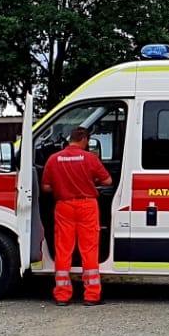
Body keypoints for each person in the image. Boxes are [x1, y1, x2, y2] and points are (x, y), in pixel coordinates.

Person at [40, 126, 112, 305]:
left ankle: (62, 296)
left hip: (63, 206)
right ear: (85, 140)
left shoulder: (54, 159)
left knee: (63, 250)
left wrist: (62, 186)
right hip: (87, 206)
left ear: (70, 139)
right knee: (89, 250)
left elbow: (46, 187)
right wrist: (90, 181)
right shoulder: (90, 158)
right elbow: (108, 180)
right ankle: (91, 296)